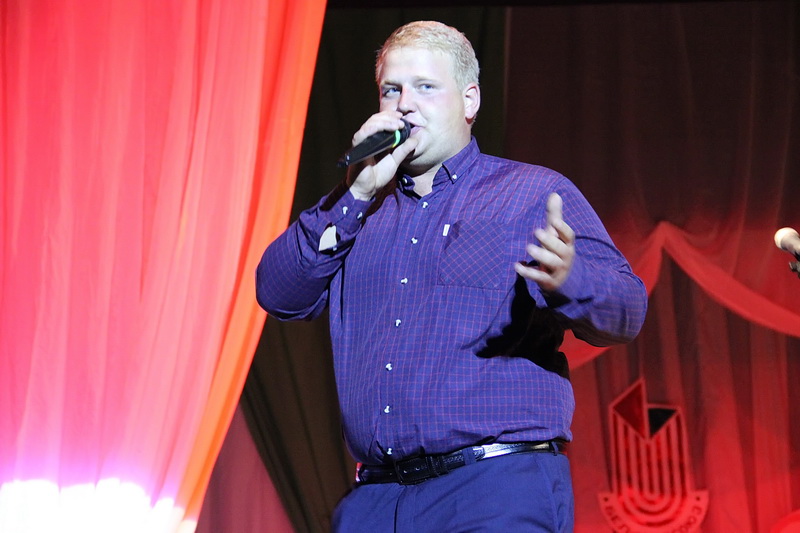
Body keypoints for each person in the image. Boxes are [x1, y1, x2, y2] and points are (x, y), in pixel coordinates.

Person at [256, 20, 647, 532]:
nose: (404, 105)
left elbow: (628, 311)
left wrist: (573, 280)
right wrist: (356, 194)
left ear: (469, 100)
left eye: (425, 87)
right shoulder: (359, 209)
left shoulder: (530, 193)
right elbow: (278, 292)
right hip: (376, 499)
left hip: (493, 488)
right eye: (391, 90)